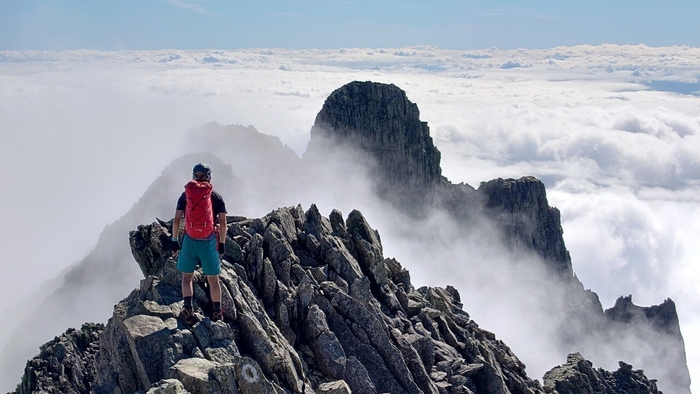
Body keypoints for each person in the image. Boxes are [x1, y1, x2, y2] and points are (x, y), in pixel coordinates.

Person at [171, 163, 227, 324]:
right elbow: (223, 223)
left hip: (190, 239)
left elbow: (176, 220)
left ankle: (188, 308)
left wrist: (175, 241)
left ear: (194, 176)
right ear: (209, 176)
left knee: (187, 277)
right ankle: (217, 313)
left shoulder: (185, 195)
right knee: (213, 280)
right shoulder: (216, 197)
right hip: (209, 241)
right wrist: (221, 244)